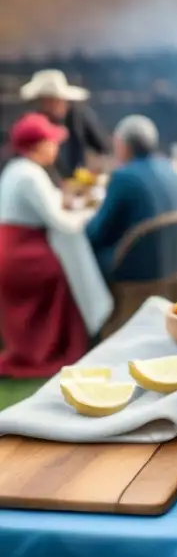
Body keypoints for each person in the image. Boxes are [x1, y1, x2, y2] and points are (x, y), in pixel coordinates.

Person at [0, 114, 89, 377]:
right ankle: (52, 350)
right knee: (65, 273)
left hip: (14, 250)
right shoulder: (30, 175)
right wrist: (88, 214)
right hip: (23, 255)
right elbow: (62, 223)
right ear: (37, 146)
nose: (55, 147)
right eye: (51, 142)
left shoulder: (18, 169)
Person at [86, 115, 177, 282]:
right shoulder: (170, 169)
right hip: (174, 264)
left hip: (135, 269)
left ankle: (89, 308)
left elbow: (96, 233)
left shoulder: (123, 177)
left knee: (77, 256)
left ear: (122, 145)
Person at [20, 69, 111, 181]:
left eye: (55, 100)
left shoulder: (78, 117)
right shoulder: (33, 126)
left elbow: (103, 146)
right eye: (48, 100)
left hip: (75, 183)